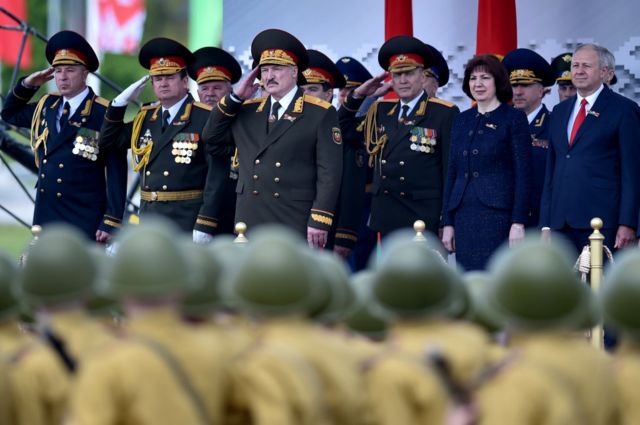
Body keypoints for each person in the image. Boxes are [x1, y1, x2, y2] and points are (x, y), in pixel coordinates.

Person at [203, 29, 343, 248]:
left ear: (294, 72)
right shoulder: (247, 110)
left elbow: (330, 172)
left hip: (294, 216)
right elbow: (211, 136)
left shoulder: (320, 112)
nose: (269, 76)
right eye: (265, 70)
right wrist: (234, 98)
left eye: (277, 69)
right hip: (250, 216)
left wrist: (320, 219)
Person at [1, 30, 127, 242]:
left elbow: (116, 170)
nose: (63, 77)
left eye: (70, 70)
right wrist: (29, 84)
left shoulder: (103, 113)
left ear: (85, 73)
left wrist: (111, 221)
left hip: (85, 217)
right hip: (47, 215)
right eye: (58, 71)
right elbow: (9, 114)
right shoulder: (47, 106)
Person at [99, 38, 229, 242]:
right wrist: (119, 103)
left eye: (169, 77)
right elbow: (108, 141)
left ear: (185, 81)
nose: (163, 83)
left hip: (187, 222)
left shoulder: (205, 117)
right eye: (157, 78)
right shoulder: (145, 117)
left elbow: (217, 174)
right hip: (150, 220)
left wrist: (206, 223)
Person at [339, 36, 459, 237]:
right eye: (397, 74)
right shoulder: (381, 110)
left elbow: (449, 171)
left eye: (409, 73)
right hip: (387, 216)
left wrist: (446, 221)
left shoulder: (444, 113)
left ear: (422, 75)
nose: (402, 80)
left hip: (424, 218)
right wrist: (359, 95)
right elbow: (343, 130)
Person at [540, 43, 640, 253]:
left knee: (600, 286)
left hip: (603, 224)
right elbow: (551, 171)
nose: (578, 70)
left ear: (606, 73)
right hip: (560, 224)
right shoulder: (559, 111)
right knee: (563, 287)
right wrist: (546, 224)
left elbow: (633, 172)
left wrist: (629, 223)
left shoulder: (624, 110)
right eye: (575, 65)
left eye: (586, 65)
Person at [441, 54, 531, 271]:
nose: (478, 84)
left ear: (498, 81)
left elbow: (524, 174)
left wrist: (518, 222)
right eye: (473, 78)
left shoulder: (513, 118)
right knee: (469, 281)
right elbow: (452, 172)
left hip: (497, 216)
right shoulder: (462, 120)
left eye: (485, 78)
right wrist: (447, 222)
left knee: (496, 281)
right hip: (463, 214)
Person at [298, 50, 357, 257]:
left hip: (325, 225)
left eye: (312, 89)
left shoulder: (338, 130)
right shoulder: (286, 125)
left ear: (328, 94)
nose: (305, 95)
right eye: (301, 89)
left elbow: (348, 187)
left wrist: (344, 234)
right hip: (291, 220)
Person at [187, 46, 243, 234]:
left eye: (217, 88)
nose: (210, 93)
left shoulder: (244, 119)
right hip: (194, 214)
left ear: (230, 90)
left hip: (235, 211)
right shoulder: (186, 121)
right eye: (204, 88)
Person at [502, 48, 555, 228]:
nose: (517, 92)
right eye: (514, 85)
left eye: (524, 85)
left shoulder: (555, 124)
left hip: (540, 219)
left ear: (541, 90)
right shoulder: (500, 125)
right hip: (504, 218)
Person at [335, 56, 376, 270]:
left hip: (367, 200)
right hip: (337, 202)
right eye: (341, 91)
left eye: (350, 91)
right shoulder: (331, 120)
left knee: (364, 260)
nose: (344, 96)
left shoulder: (374, 120)